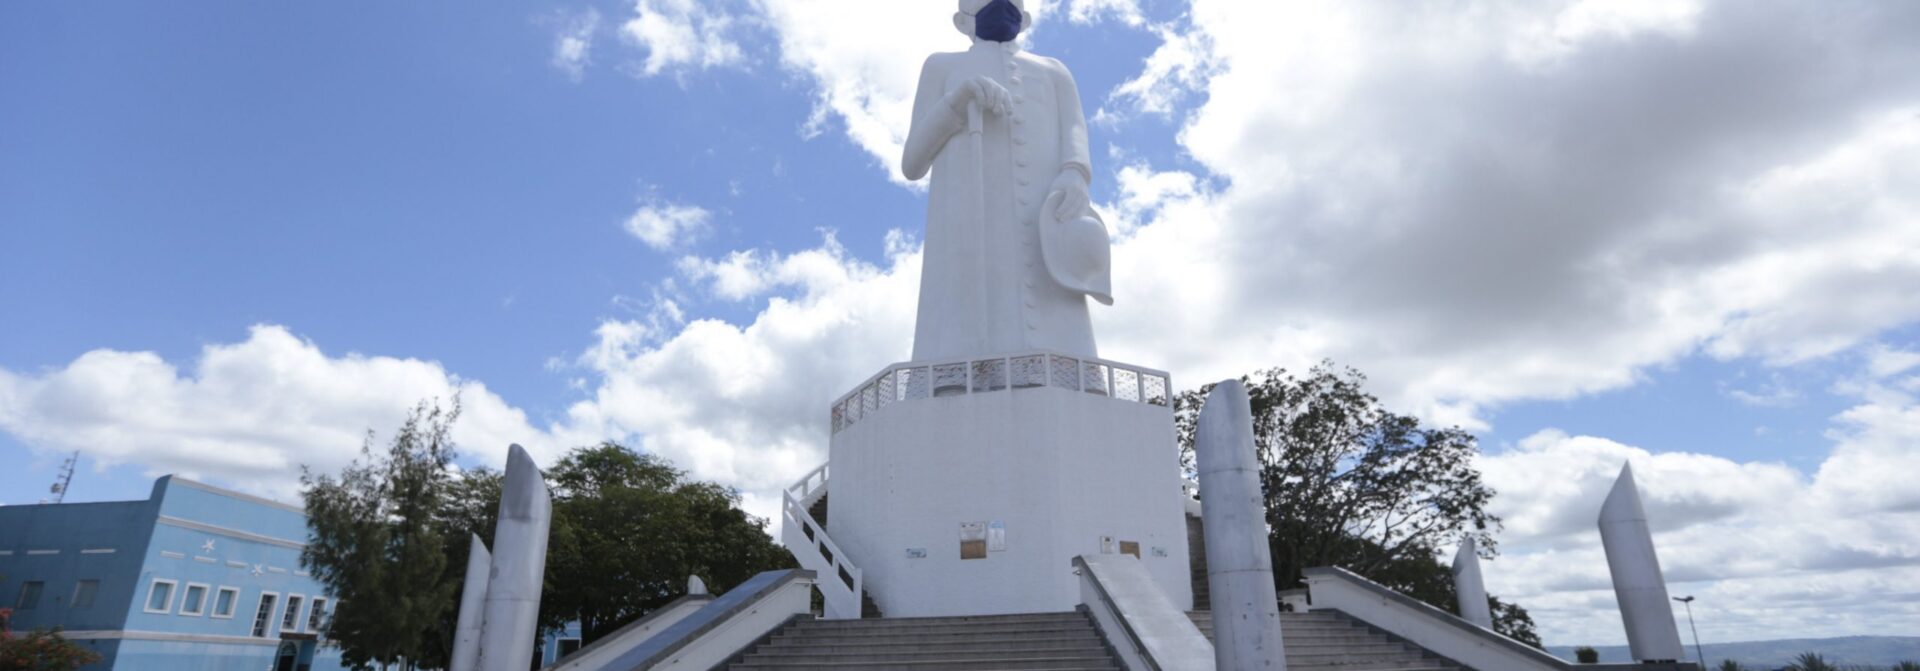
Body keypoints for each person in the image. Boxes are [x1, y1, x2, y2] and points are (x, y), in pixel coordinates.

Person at [902, 0, 1112, 362]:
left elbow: (1074, 128)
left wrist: (1075, 172)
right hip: (967, 219)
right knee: (965, 316)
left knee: (1055, 303)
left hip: (1045, 214)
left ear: (1025, 18)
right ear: (961, 21)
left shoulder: (1054, 71)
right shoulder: (942, 66)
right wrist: (958, 101)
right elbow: (912, 163)